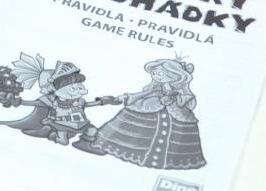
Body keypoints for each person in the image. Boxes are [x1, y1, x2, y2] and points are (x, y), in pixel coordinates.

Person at [73, 59, 206, 169]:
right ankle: (101, 144)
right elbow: (140, 95)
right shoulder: (154, 88)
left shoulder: (182, 92)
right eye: (155, 73)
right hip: (149, 109)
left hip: (176, 116)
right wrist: (122, 98)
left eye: (161, 73)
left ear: (175, 75)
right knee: (128, 121)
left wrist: (172, 95)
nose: (157, 76)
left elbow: (184, 102)